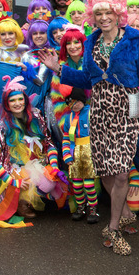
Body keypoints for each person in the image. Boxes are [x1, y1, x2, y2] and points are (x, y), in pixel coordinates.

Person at [40, 0, 139, 254]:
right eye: (100, 13)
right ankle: (126, 211)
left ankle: (113, 228)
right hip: (100, 107)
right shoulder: (91, 40)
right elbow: (87, 78)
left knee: (121, 171)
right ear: (94, 14)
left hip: (128, 106)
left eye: (109, 13)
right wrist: (58, 68)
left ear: (119, 13)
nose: (104, 18)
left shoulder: (133, 39)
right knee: (105, 167)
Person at [0, 76, 66, 228]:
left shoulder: (36, 117)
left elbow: (49, 144)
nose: (17, 104)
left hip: (34, 165)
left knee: (50, 183)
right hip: (12, 170)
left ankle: (29, 200)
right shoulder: (2, 126)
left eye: (20, 99)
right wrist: (13, 181)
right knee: (25, 182)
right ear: (7, 104)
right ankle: (20, 203)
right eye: (12, 100)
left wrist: (54, 166)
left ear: (25, 100)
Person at [55, 82, 98, 224]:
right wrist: (66, 154)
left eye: (76, 101)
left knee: (89, 184)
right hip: (75, 154)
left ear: (82, 100)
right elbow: (66, 137)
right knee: (77, 185)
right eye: (70, 102)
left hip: (89, 153)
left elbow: (99, 135)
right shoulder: (68, 118)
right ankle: (81, 207)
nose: (74, 105)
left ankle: (93, 208)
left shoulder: (91, 113)